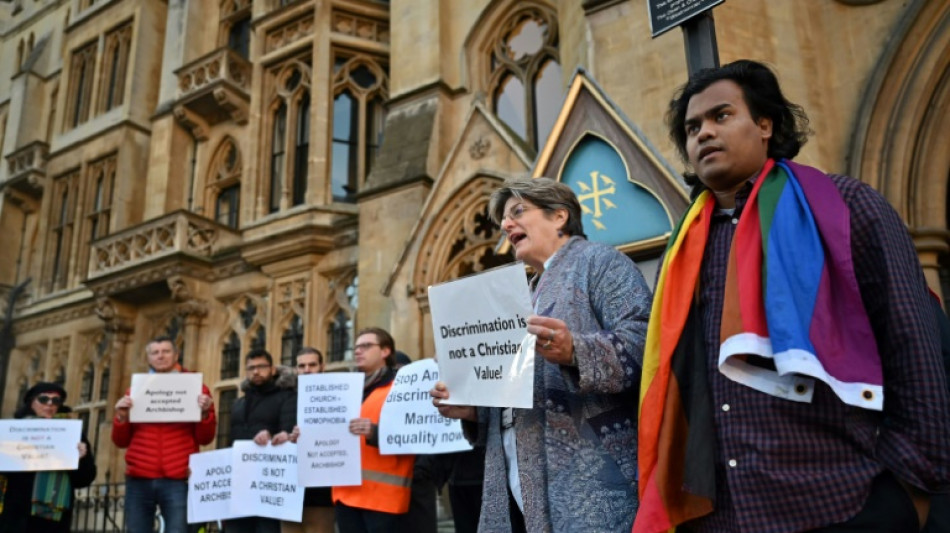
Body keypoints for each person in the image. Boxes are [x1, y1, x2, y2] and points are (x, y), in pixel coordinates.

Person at [635, 60, 950, 533]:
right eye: (692, 126)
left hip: (840, 502)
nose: (703, 133)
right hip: (723, 517)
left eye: (722, 116)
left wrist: (910, 490)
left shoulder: (845, 207)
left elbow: (913, 343)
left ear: (765, 125)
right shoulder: (683, 250)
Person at [431, 177, 651, 532]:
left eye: (517, 212)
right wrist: (474, 411)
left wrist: (574, 350)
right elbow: (514, 391)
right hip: (517, 475)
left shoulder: (602, 262)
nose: (505, 225)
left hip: (592, 474)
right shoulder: (518, 294)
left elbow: (644, 344)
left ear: (559, 216)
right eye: (503, 219)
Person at [112, 336, 215, 533]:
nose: (160, 356)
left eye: (166, 351)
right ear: (148, 358)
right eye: (155, 353)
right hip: (139, 477)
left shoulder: (197, 389)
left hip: (177, 478)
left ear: (176, 355)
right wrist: (121, 418)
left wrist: (205, 413)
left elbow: (205, 438)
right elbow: (120, 441)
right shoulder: (134, 391)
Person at [332, 327, 415, 532]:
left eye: (366, 346)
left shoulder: (403, 389)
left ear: (385, 351)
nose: (358, 351)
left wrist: (376, 433)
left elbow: (415, 437)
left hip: (384, 499)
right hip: (345, 496)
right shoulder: (343, 391)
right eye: (356, 347)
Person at [0, 383, 96, 533]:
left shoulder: (71, 433)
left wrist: (81, 459)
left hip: (53, 520)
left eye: (56, 400)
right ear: (31, 402)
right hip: (16, 514)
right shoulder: (14, 430)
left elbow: (85, 479)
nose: (50, 404)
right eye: (44, 399)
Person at [224, 348, 296, 533]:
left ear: (272, 370)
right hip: (240, 485)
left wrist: (272, 437)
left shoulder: (286, 397)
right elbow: (230, 442)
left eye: (261, 367)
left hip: (269, 487)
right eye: (251, 368)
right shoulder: (239, 403)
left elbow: (288, 433)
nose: (256, 371)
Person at [282, 347, 335, 533]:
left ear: (322, 366)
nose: (306, 370)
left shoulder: (336, 395)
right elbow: (276, 434)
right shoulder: (286, 399)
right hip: (289, 491)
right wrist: (287, 437)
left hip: (322, 491)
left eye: (312, 365)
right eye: (301, 365)